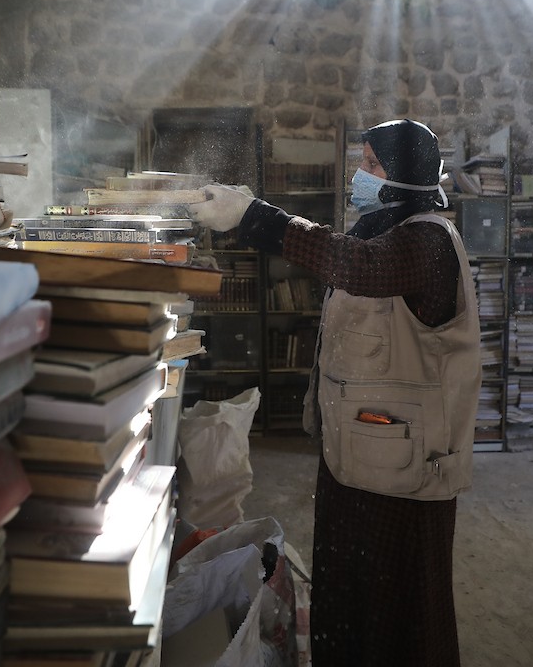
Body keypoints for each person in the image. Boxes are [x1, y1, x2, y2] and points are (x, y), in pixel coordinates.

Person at [189, 119, 480, 666]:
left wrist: (255, 217)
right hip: (357, 455)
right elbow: (346, 256)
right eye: (362, 161)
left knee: (403, 605)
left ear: (409, 176)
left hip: (409, 470)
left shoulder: (430, 240)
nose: (360, 174)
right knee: (348, 590)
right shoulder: (379, 231)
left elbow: (362, 269)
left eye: (373, 165)